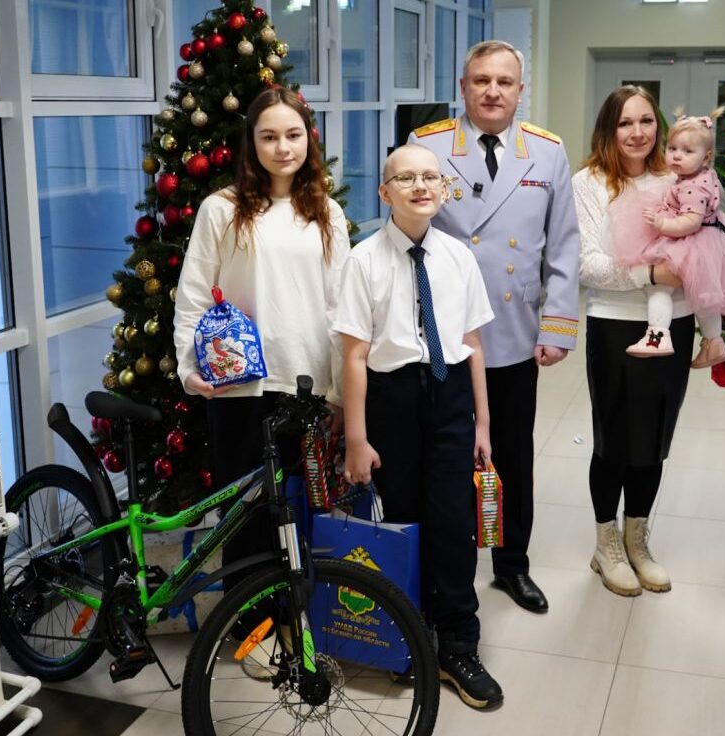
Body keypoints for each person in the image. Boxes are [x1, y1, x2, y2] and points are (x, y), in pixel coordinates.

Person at [172, 87, 350, 647]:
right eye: (269, 137)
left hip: (306, 384)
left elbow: (342, 308)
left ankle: (295, 617)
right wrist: (188, 367)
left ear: (308, 140)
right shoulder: (221, 209)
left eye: (292, 135)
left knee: (297, 509)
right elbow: (193, 294)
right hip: (239, 386)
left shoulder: (326, 212)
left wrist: (342, 392)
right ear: (251, 143)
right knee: (245, 516)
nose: (282, 148)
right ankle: (250, 628)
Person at [408, 40, 580, 614]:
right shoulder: (428, 145)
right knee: (445, 456)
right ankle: (444, 569)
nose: (492, 92)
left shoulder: (547, 152)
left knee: (512, 454)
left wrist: (557, 327)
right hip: (441, 333)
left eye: (504, 82)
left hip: (511, 330)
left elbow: (563, 245)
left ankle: (512, 565)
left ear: (520, 91)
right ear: (463, 87)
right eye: (481, 80)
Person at [335, 143, 502, 709]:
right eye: (405, 178)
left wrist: (482, 423)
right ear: (385, 192)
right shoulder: (363, 261)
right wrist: (356, 438)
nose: (421, 186)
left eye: (431, 176)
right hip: (392, 397)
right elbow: (355, 355)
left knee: (453, 522)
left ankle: (457, 643)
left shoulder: (458, 257)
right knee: (402, 519)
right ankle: (407, 631)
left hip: (450, 394)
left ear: (444, 188)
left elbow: (473, 343)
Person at [571, 85, 691, 597]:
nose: (637, 132)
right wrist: (652, 273)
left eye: (646, 121)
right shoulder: (589, 182)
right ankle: (607, 546)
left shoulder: (677, 177)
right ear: (608, 129)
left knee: (654, 441)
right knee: (615, 440)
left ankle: (636, 541)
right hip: (616, 324)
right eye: (625, 123)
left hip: (675, 322)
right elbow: (587, 264)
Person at [609, 107, 725, 366]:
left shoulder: (692, 187)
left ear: (706, 157)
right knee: (705, 297)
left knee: (659, 286)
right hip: (710, 241)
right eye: (672, 149)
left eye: (687, 151)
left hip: (692, 241)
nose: (677, 156)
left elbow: (691, 222)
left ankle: (657, 335)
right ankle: (714, 342)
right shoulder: (702, 176)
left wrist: (662, 223)